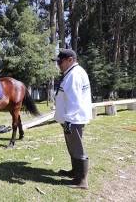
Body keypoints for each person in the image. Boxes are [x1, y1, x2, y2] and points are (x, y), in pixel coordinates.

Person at [51, 49, 92, 189]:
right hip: (72, 119)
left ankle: (81, 180)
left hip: (73, 119)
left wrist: (67, 119)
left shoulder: (74, 74)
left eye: (60, 62)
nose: (59, 65)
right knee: (73, 146)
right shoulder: (72, 73)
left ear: (70, 60)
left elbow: (74, 101)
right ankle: (75, 172)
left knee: (77, 147)